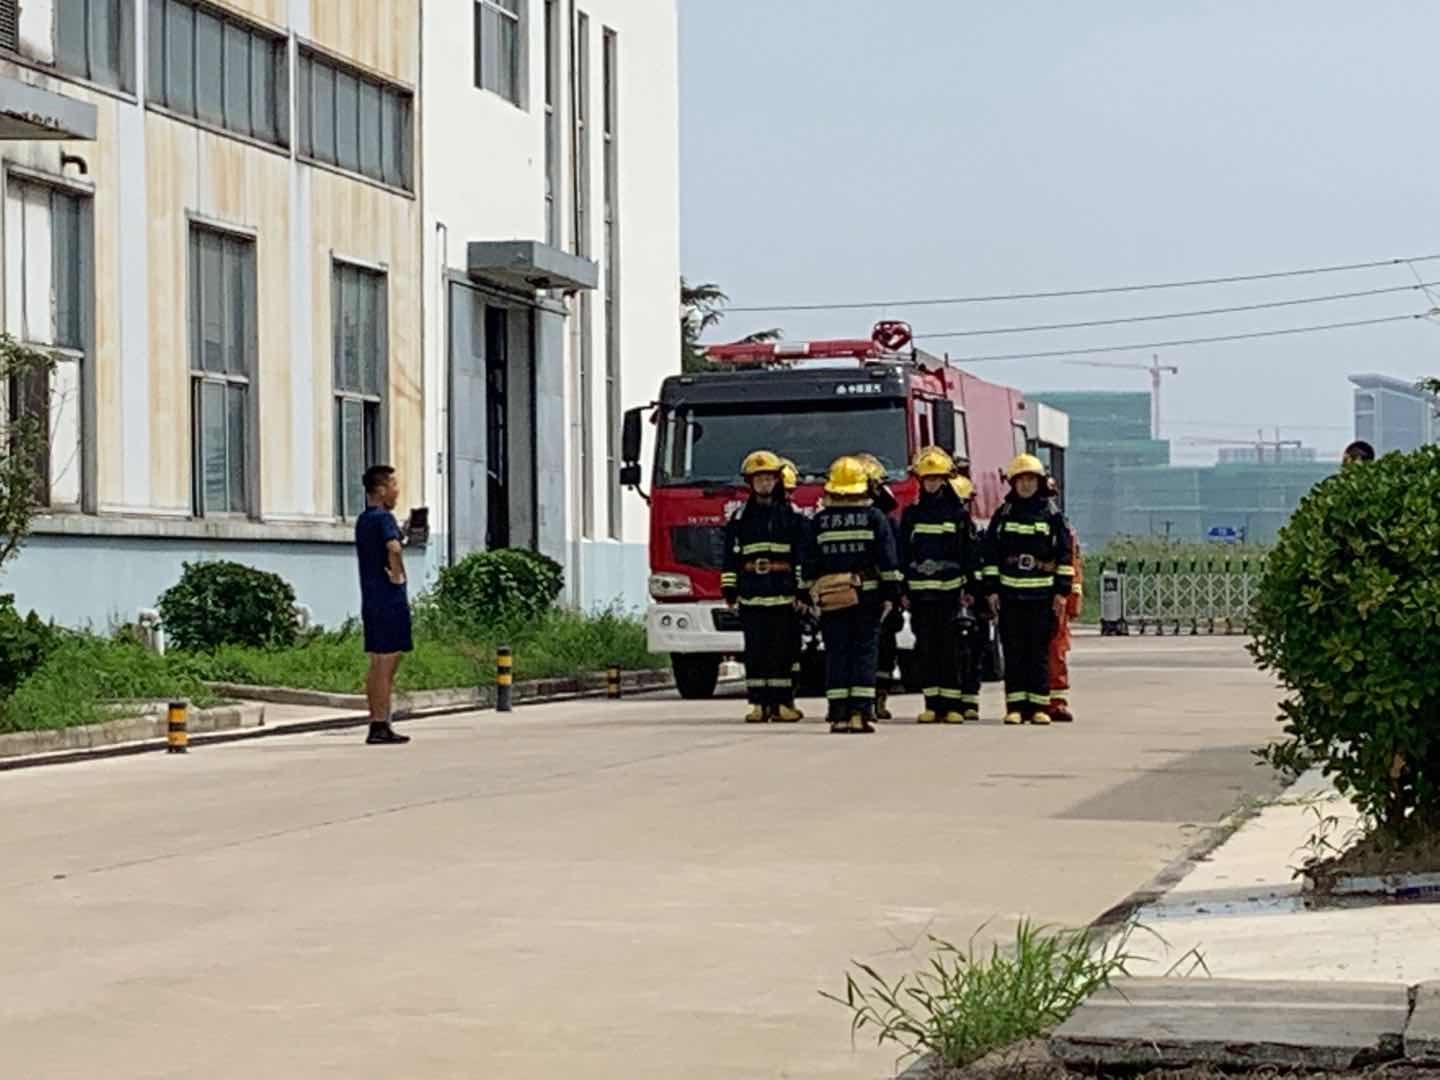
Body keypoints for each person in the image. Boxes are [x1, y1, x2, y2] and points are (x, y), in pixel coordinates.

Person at [804, 455, 902, 734]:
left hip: (832, 598)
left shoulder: (820, 521)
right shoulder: (875, 518)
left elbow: (808, 564)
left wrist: (810, 596)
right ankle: (860, 712)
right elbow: (888, 562)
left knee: (837, 654)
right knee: (864, 653)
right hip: (867, 599)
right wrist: (891, 596)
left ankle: (838, 715)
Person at [981, 454, 1074, 726]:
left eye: (1031, 480)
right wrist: (991, 590)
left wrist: (1061, 592)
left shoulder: (1052, 515)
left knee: (1038, 653)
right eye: (1021, 480)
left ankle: (1038, 707)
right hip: (1010, 595)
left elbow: (1065, 555)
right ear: (1013, 483)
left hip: (1042, 596)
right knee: (1014, 653)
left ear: (1039, 482)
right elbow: (991, 554)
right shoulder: (1004, 514)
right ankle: (1015, 707)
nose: (1026, 485)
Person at [722, 450, 808, 723]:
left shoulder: (791, 516)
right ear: (750, 482)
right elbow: (730, 557)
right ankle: (759, 704)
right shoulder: (740, 518)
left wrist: (802, 591)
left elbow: (801, 556)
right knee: (755, 651)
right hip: (752, 593)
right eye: (759, 479)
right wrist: (730, 589)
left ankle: (782, 703)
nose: (764, 484)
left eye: (769, 478)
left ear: (777, 480)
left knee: (784, 651)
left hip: (784, 594)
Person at [898, 447, 978, 724]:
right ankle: (932, 704)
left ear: (945, 480)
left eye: (936, 479)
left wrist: (970, 589)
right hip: (920, 594)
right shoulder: (912, 515)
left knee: (950, 650)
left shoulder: (958, 515)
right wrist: (903, 591)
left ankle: (953, 705)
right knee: (926, 649)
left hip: (950, 593)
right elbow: (903, 555)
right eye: (927, 479)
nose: (932, 483)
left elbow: (968, 554)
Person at [355, 464, 413, 745]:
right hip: (388, 598)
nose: (397, 492)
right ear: (380, 490)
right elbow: (393, 548)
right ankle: (380, 723)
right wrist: (397, 574)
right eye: (393, 486)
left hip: (370, 597)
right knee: (388, 661)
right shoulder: (384, 517)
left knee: (378, 661)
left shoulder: (364, 520)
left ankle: (378, 721)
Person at [855, 452, 902, 720]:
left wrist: (893, 594)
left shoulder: (885, 519)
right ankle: (860, 700)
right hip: (852, 593)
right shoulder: (844, 516)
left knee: (885, 646)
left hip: (881, 594)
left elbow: (894, 558)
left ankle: (880, 698)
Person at [1044, 475, 1082, 724]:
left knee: (1056, 651)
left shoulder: (1061, 526)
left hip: (1056, 596)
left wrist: (1072, 597)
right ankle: (1035, 701)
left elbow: (1073, 564)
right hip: (1033, 593)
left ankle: (1056, 702)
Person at [950, 474, 986, 722]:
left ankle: (970, 700)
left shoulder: (976, 532)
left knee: (974, 653)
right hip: (952, 597)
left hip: (975, 602)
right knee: (952, 653)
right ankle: (954, 700)